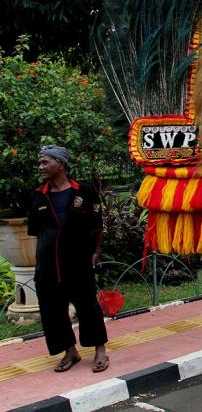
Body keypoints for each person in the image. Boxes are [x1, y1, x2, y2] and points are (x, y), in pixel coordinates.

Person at [27, 145, 109, 373]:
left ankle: (100, 350)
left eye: (45, 162)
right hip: (48, 264)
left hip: (78, 261)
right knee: (52, 309)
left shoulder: (83, 192)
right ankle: (69, 351)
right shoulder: (37, 196)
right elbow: (36, 233)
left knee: (88, 306)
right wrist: (40, 263)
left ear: (61, 164)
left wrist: (96, 251)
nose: (40, 167)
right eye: (40, 162)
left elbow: (97, 225)